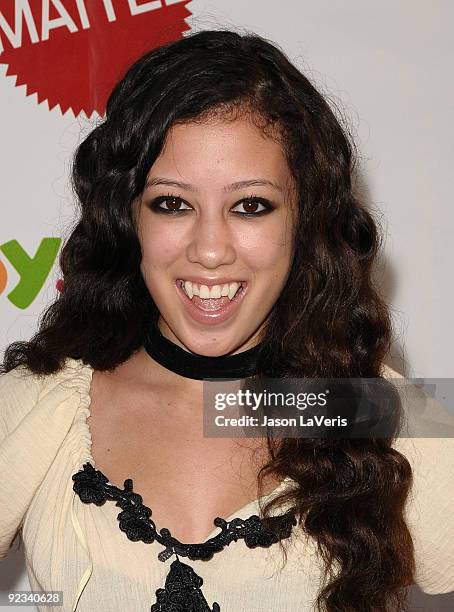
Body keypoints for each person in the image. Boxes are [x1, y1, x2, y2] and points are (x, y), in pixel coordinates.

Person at [0, 29, 453, 612]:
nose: (210, 249)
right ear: (127, 218)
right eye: (172, 203)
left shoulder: (375, 410)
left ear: (304, 222)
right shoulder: (43, 404)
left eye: (250, 206)